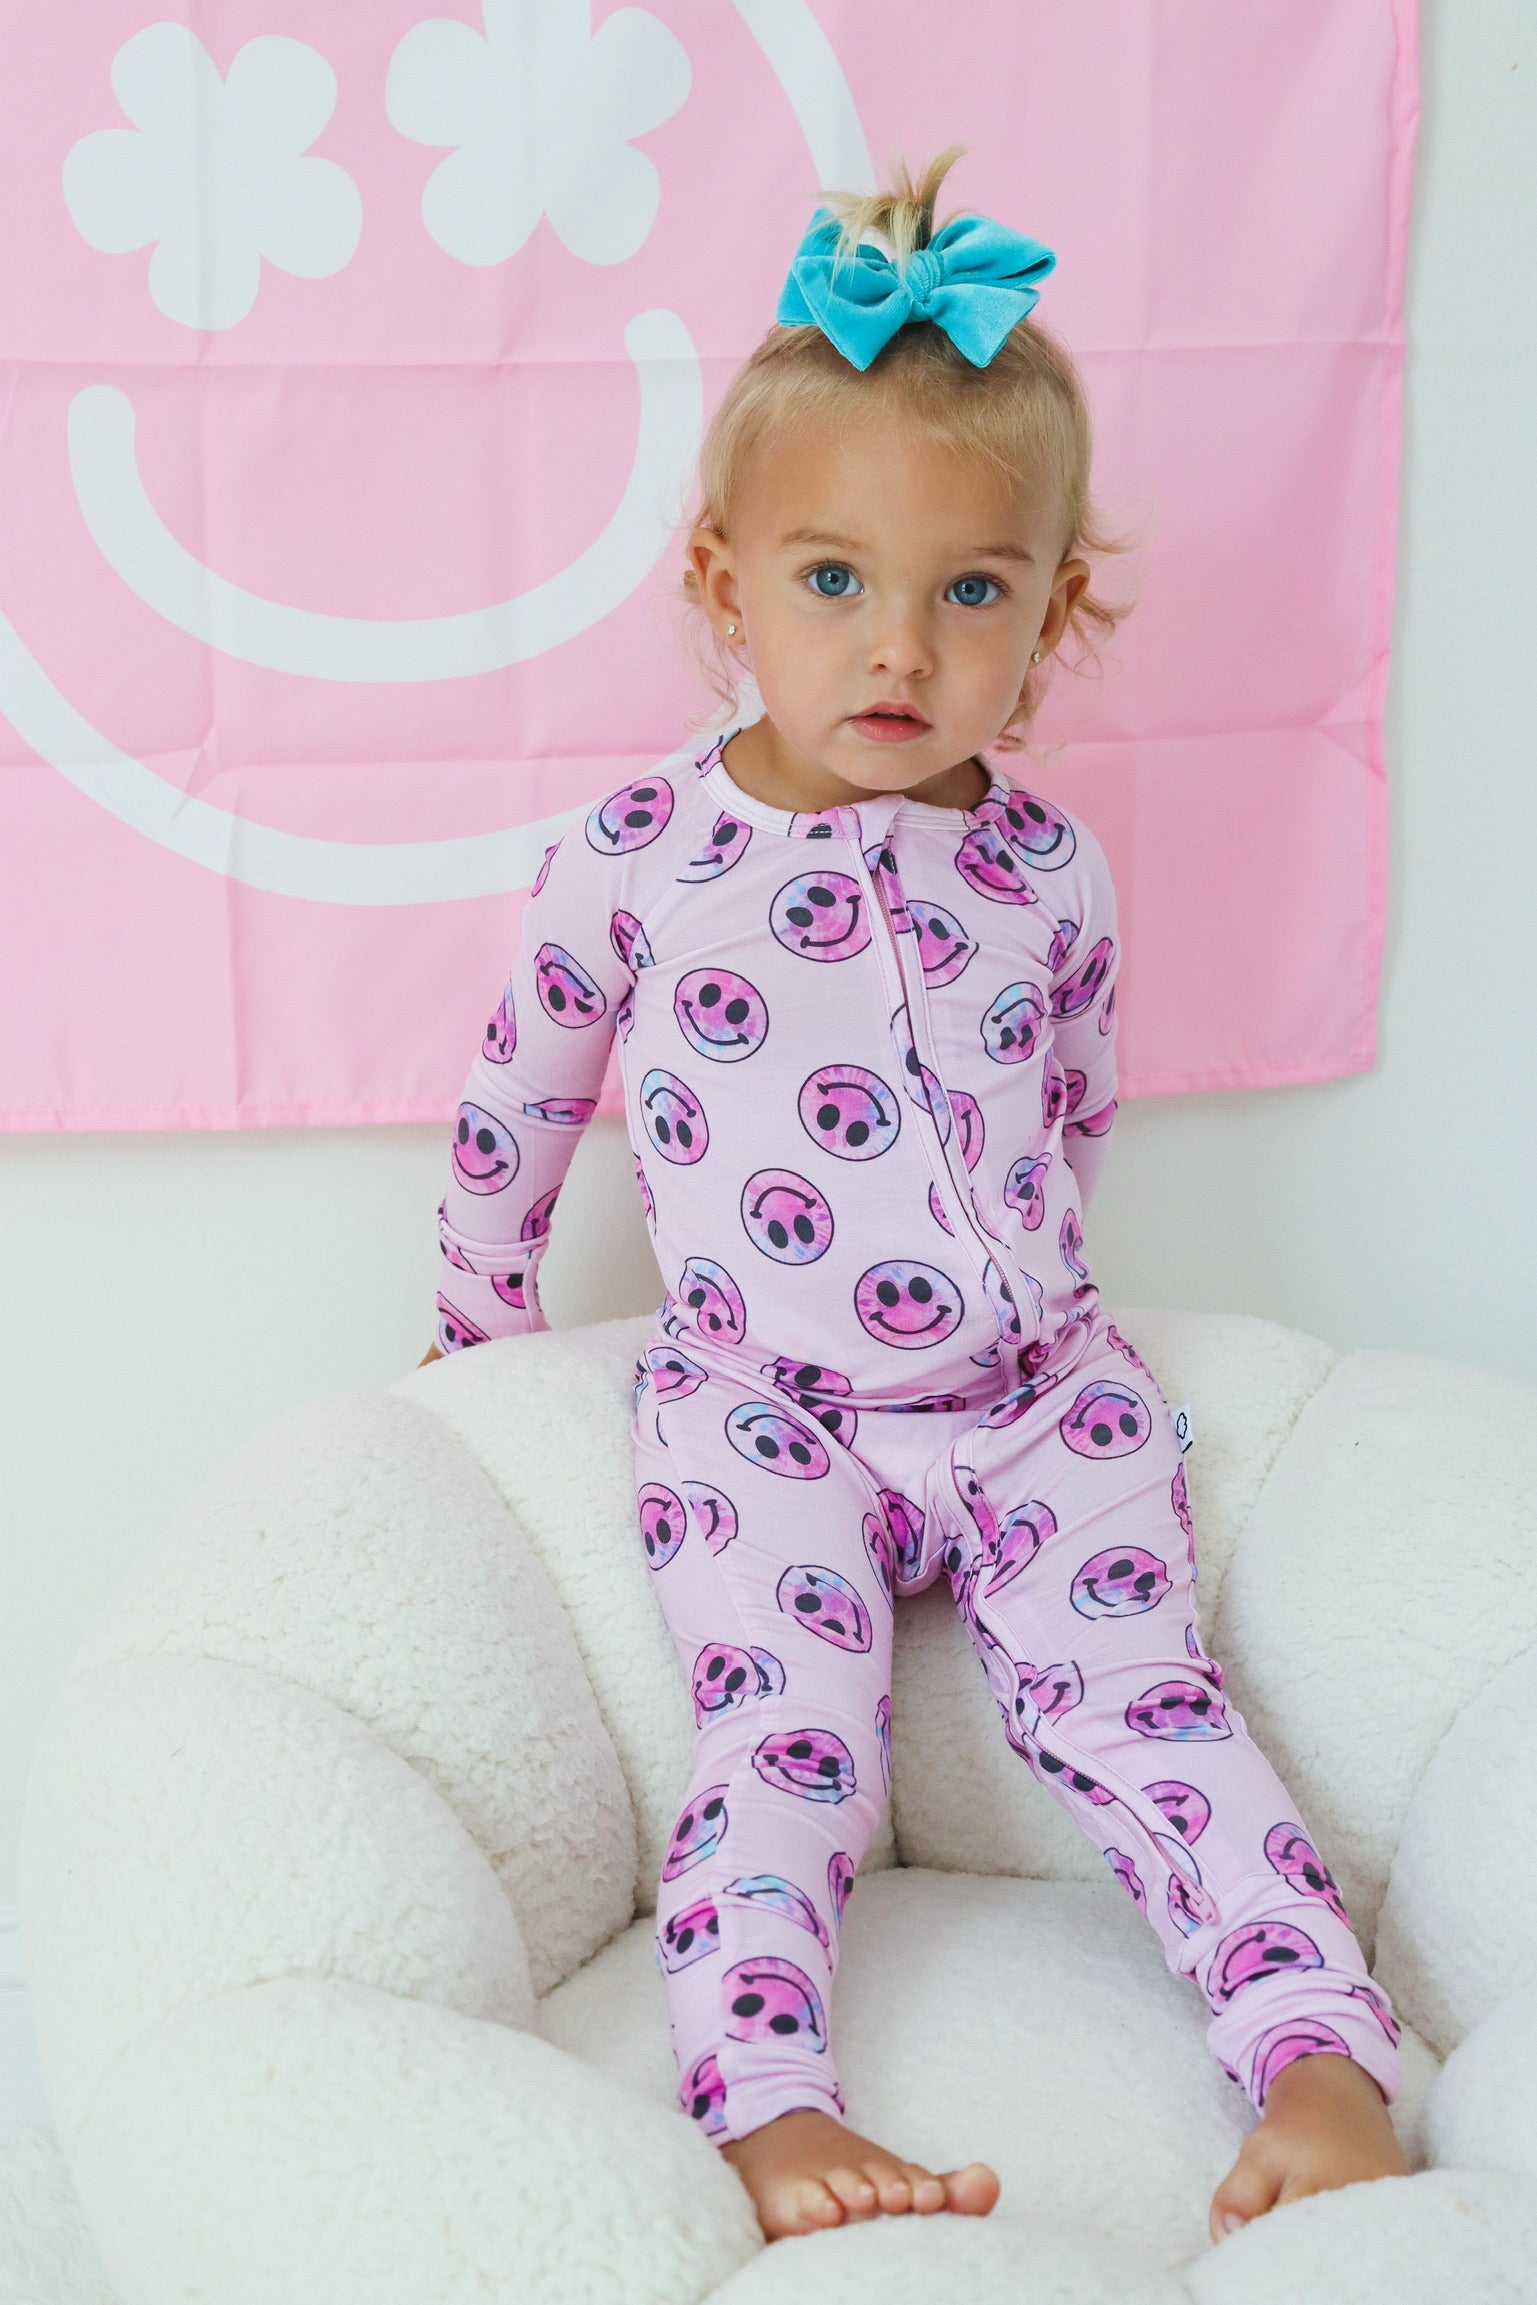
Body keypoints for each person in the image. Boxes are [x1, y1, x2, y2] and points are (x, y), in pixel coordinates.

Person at [420, 146, 1409, 2249]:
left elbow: (1072, 1111)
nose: (899, 642)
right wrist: (477, 1331)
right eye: (833, 578)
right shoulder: (637, 858)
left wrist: (1025, 1323)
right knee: (784, 1738)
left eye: (972, 591)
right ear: (723, 586)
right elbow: (518, 1100)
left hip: (1040, 1403)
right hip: (763, 1413)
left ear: (1051, 616)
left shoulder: (1050, 870)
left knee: (1151, 1707)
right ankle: (767, 2097)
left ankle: (1316, 2045)